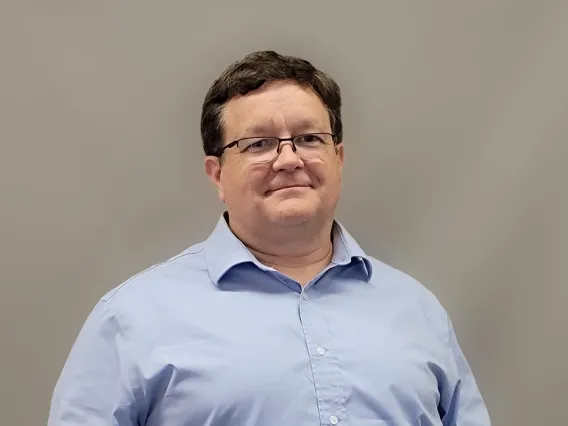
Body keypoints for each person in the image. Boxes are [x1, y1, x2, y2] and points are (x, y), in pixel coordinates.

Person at [48, 50, 491, 426]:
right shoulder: (131, 320)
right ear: (217, 173)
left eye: (308, 138)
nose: (289, 159)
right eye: (258, 144)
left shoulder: (417, 311)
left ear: (337, 158)